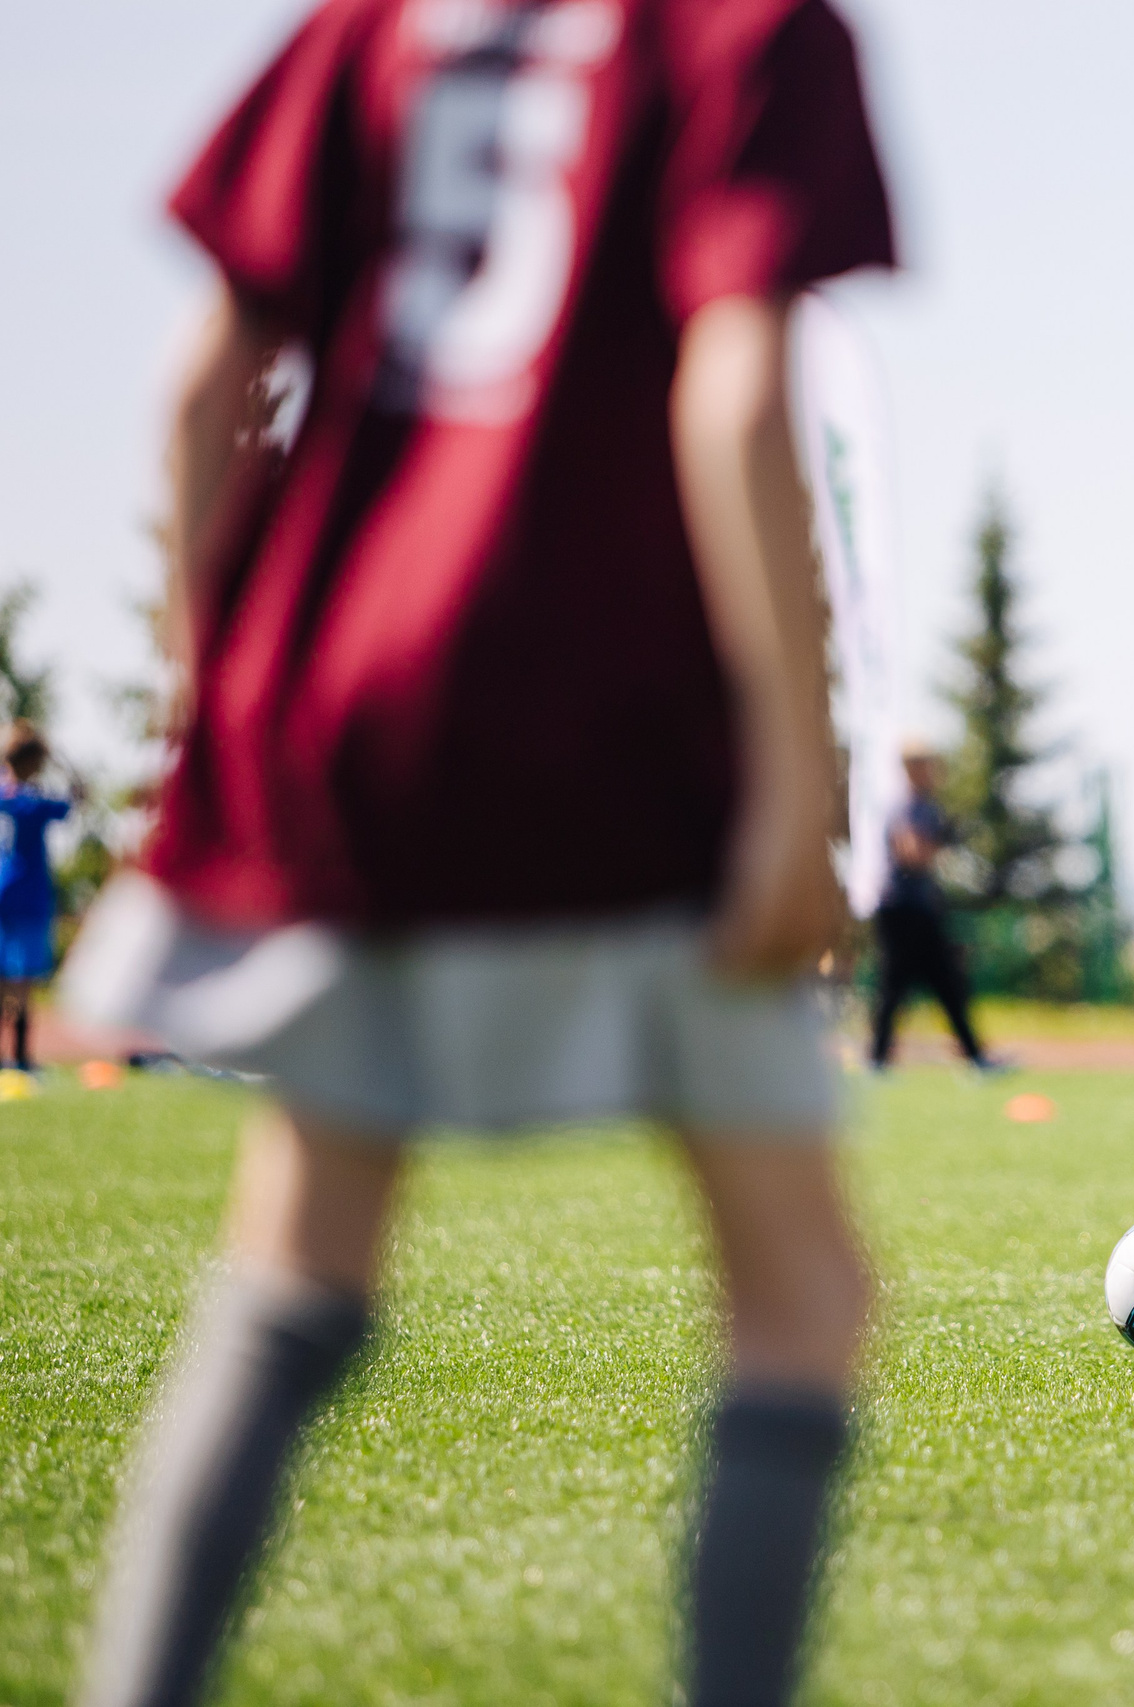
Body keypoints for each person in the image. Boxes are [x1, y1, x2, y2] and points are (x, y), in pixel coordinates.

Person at [56, 3, 897, 1703]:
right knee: (801, 1288)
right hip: (608, 701)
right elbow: (734, 388)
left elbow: (204, 375)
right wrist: (797, 787)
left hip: (337, 706)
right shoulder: (746, 29)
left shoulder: (379, 26)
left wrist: (223, 687)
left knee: (296, 1247)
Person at [868, 741, 1000, 1073]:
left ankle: (974, 1057)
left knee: (945, 984)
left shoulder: (922, 805)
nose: (936, 772)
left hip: (917, 909)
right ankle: (878, 1060)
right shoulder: (912, 806)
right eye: (930, 765)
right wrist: (941, 841)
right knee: (899, 986)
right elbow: (911, 852)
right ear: (914, 769)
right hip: (904, 910)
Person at [0, 721, 73, 1075]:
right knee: (23, 981)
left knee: (4, 978)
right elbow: (78, 795)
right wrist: (60, 759)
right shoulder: (35, 802)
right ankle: (22, 1057)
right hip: (27, 900)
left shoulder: (6, 795)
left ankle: (9, 1057)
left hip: (4, 895)